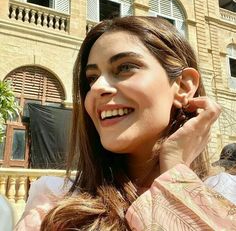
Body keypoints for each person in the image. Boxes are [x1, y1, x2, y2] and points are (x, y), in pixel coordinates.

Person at [15, 16, 236, 230]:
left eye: (124, 67)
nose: (97, 88)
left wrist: (175, 174)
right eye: (92, 78)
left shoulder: (226, 195)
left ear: (184, 87)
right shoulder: (52, 203)